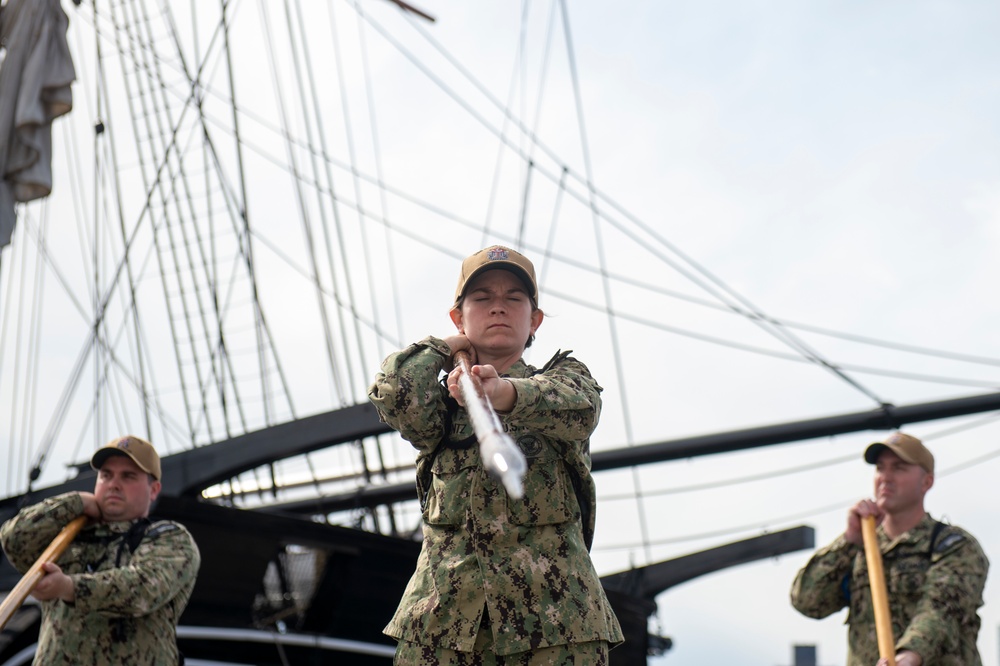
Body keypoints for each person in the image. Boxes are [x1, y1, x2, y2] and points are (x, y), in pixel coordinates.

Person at [368, 245, 623, 664]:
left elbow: (581, 407)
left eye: (513, 299)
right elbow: (394, 392)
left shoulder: (563, 379)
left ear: (534, 319)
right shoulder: (440, 411)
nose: (498, 309)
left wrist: (500, 392)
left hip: (555, 627)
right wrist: (446, 347)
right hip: (442, 629)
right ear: (459, 316)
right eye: (482, 299)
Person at [790, 432, 988, 666]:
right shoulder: (860, 549)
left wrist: (909, 655)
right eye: (880, 468)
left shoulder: (953, 546)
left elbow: (941, 610)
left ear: (927, 482)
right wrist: (849, 541)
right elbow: (807, 601)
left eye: (899, 468)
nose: (886, 477)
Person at [1, 435, 201, 665]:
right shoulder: (68, 539)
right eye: (106, 475)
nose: (113, 484)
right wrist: (74, 502)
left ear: (154, 490)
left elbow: (142, 589)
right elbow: (13, 540)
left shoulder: (169, 538)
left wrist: (69, 587)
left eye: (128, 476)